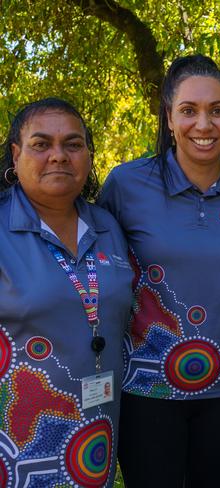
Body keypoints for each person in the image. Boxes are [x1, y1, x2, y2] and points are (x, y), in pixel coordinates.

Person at [98, 55, 220, 487]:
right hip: (146, 386)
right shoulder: (125, 184)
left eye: (217, 110)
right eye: (188, 111)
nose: (204, 125)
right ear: (169, 117)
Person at [0, 98, 133, 486]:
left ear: (89, 154)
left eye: (73, 144)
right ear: (15, 154)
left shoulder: (108, 226)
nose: (59, 156)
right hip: (15, 439)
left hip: (95, 432)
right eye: (41, 144)